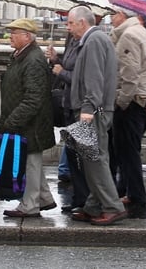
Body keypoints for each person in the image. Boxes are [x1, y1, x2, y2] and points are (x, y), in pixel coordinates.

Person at [66, 5, 127, 226]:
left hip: (93, 111)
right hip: (97, 109)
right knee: (93, 159)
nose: (68, 27)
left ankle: (112, 207)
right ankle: (93, 206)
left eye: (71, 23)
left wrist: (87, 111)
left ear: (83, 23)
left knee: (95, 160)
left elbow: (94, 79)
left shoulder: (93, 42)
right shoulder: (96, 40)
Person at [0, 18, 57, 218]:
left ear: (27, 36)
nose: (10, 36)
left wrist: (13, 120)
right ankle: (43, 198)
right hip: (27, 120)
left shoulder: (32, 59)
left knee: (30, 161)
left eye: (14, 32)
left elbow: (34, 98)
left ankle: (30, 205)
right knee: (33, 161)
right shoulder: (22, 55)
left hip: (31, 122)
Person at [109, 6, 146, 219]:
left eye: (113, 15)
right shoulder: (142, 32)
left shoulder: (128, 36)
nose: (111, 19)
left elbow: (129, 74)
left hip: (132, 101)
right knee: (130, 150)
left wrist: (121, 101)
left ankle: (137, 198)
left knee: (126, 152)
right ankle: (129, 192)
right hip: (142, 98)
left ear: (122, 16)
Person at [47, 32, 91, 213]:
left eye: (72, 23)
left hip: (79, 106)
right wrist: (55, 59)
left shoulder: (87, 43)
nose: (68, 26)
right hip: (70, 105)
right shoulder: (73, 40)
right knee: (73, 156)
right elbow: (68, 66)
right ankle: (78, 199)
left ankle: (84, 200)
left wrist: (61, 71)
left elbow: (81, 79)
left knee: (81, 157)